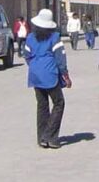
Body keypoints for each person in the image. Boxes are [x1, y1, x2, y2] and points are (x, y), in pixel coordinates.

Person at [24, 8, 71, 149]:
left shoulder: (30, 37)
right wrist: (65, 75)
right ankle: (50, 136)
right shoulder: (54, 37)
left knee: (42, 105)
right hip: (50, 74)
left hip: (35, 74)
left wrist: (35, 66)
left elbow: (26, 56)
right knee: (59, 103)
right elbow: (60, 58)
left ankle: (41, 138)